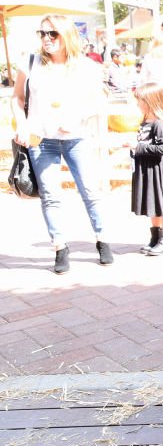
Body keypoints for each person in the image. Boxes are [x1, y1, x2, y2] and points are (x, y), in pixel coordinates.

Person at [10, 14, 113, 274]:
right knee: (50, 195)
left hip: (76, 137)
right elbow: (17, 97)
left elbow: (100, 100)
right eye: (42, 33)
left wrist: (78, 117)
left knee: (89, 190)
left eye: (52, 34)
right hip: (41, 139)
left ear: (66, 35)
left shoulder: (86, 66)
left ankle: (102, 240)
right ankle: (59, 246)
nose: (46, 39)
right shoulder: (31, 62)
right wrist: (22, 125)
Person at [124, 82, 163, 256]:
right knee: (152, 204)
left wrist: (138, 147)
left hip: (157, 170)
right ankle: (156, 237)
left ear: (150, 101)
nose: (137, 104)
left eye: (140, 100)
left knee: (160, 204)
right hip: (147, 168)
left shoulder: (158, 124)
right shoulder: (145, 122)